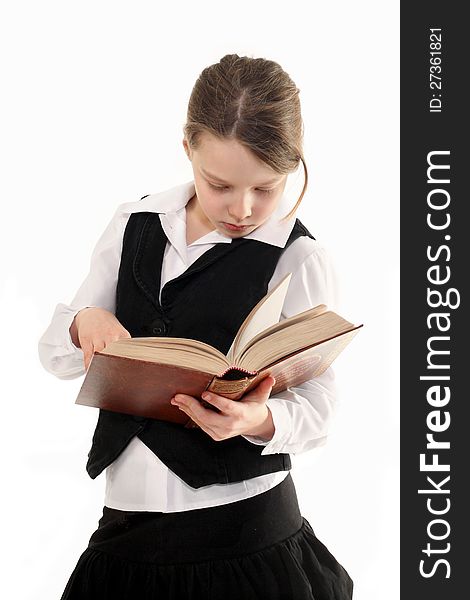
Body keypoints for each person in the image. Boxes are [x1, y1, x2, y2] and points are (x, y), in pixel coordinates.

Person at [38, 53, 354, 600]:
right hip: (128, 537)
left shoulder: (297, 255)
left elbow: (320, 408)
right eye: (220, 184)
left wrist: (256, 420)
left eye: (267, 188)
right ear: (188, 147)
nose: (244, 208)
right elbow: (55, 356)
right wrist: (82, 324)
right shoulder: (133, 223)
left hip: (247, 536)